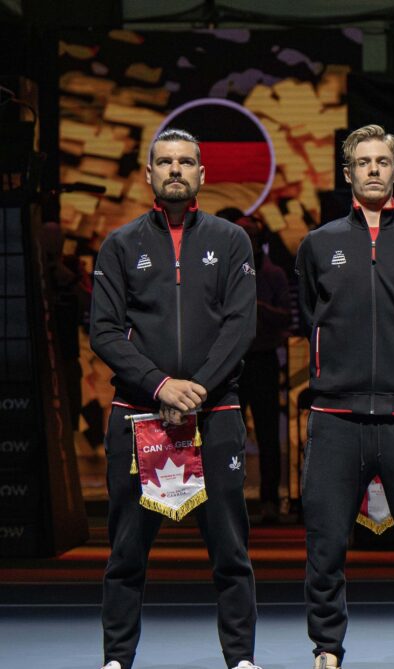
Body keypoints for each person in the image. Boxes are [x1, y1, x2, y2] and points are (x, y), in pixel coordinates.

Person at [90, 128, 260, 669]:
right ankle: (117, 659)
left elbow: (240, 326)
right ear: (149, 175)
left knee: (231, 551)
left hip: (217, 413)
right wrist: (161, 385)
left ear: (202, 174)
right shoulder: (120, 245)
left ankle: (240, 659)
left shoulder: (232, 241)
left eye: (186, 161)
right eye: (165, 162)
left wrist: (198, 389)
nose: (176, 170)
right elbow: (105, 332)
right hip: (138, 413)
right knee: (125, 552)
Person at [295, 124, 394, 669]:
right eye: (361, 162)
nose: (371, 169)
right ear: (347, 173)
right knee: (325, 546)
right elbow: (307, 318)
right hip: (334, 415)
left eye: (381, 161)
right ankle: (326, 647)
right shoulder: (317, 246)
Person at [227, 212, 293, 524]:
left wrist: (259, 309)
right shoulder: (223, 273)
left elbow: (287, 317)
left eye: (251, 236)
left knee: (267, 436)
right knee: (229, 436)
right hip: (233, 362)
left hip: (264, 359)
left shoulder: (274, 274)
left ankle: (269, 500)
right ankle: (229, 499)